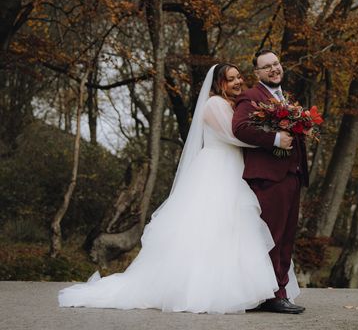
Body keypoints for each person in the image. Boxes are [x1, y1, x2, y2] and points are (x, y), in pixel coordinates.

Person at [58, 64, 299, 314]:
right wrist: (273, 137)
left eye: (239, 77)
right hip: (218, 167)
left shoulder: (233, 105)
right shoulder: (214, 104)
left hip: (236, 167)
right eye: (231, 80)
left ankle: (241, 289)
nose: (238, 82)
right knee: (211, 226)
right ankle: (203, 289)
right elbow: (233, 136)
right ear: (219, 84)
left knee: (235, 228)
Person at [232, 49, 308, 315]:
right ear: (257, 73)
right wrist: (275, 139)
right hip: (269, 179)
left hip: (292, 176)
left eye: (276, 64)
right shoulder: (251, 96)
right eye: (267, 67)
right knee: (272, 238)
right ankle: (273, 295)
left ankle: (279, 290)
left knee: (287, 238)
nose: (274, 69)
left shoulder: (285, 98)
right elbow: (239, 128)